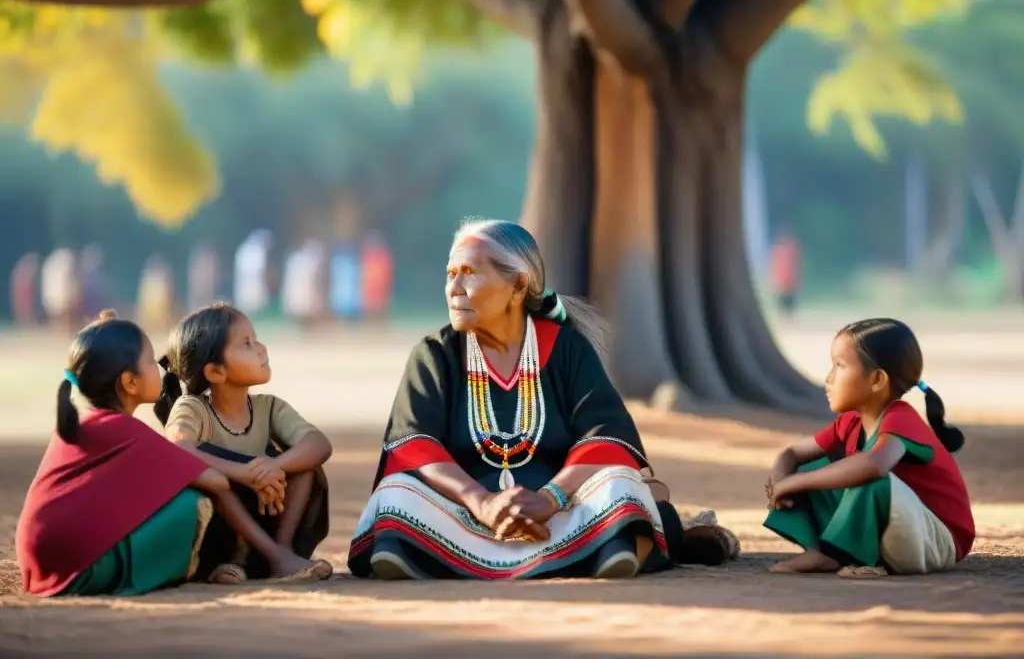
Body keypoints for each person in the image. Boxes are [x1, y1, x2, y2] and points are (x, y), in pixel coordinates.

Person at [349, 219, 737, 581]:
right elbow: (415, 445)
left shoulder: (566, 348)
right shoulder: (435, 354)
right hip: (464, 515)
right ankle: (600, 551)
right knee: (396, 495)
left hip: (560, 513)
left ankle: (433, 558)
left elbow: (605, 436)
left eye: (469, 273)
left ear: (518, 286)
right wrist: (481, 501)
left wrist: (549, 499)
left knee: (619, 485)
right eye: (450, 275)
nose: (455, 288)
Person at [16, 311, 317, 597]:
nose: (158, 368)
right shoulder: (130, 432)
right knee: (193, 504)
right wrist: (252, 475)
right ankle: (266, 557)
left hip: (38, 564)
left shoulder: (81, 425)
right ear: (130, 382)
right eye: (149, 361)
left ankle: (268, 555)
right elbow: (217, 482)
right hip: (77, 571)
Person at [764, 318, 974, 577]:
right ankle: (821, 549)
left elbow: (875, 465)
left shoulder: (901, 418)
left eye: (839, 366)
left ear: (876, 379)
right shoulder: (850, 421)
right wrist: (781, 479)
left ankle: (832, 555)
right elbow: (792, 453)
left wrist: (795, 483)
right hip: (899, 533)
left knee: (869, 477)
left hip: (936, 541)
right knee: (812, 467)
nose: (828, 378)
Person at [156, 303, 334, 583]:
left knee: (306, 465)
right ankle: (235, 561)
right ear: (215, 372)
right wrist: (244, 474)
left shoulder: (268, 407)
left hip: (267, 515)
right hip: (217, 535)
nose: (261, 348)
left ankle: (280, 552)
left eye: (255, 339)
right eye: (246, 344)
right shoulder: (192, 408)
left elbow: (319, 443)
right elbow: (177, 448)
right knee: (212, 477)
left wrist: (274, 466)